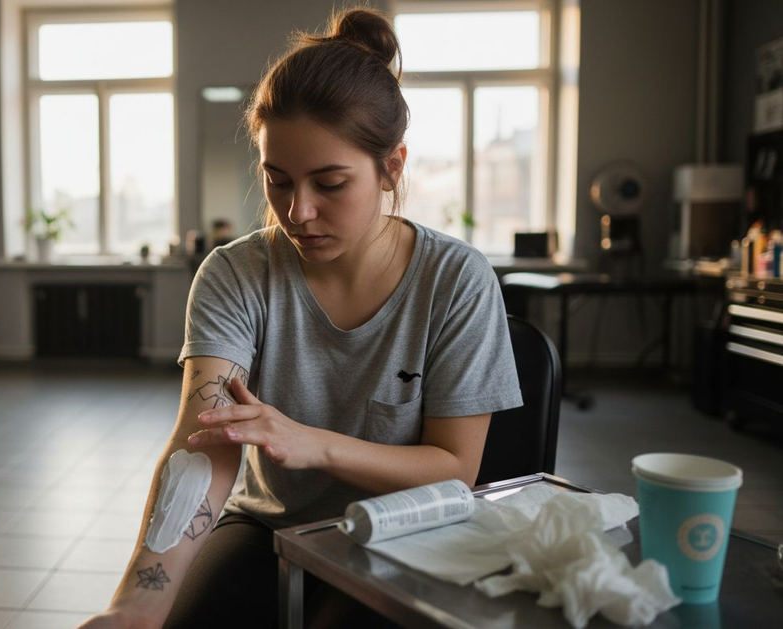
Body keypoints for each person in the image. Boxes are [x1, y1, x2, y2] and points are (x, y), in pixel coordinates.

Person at [81, 7, 521, 628]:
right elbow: (202, 444)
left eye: (330, 184)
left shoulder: (456, 281)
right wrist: (136, 603)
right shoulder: (235, 274)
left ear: (391, 167)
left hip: (401, 530)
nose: (298, 211)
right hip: (266, 525)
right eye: (277, 180)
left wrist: (309, 444)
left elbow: (454, 469)